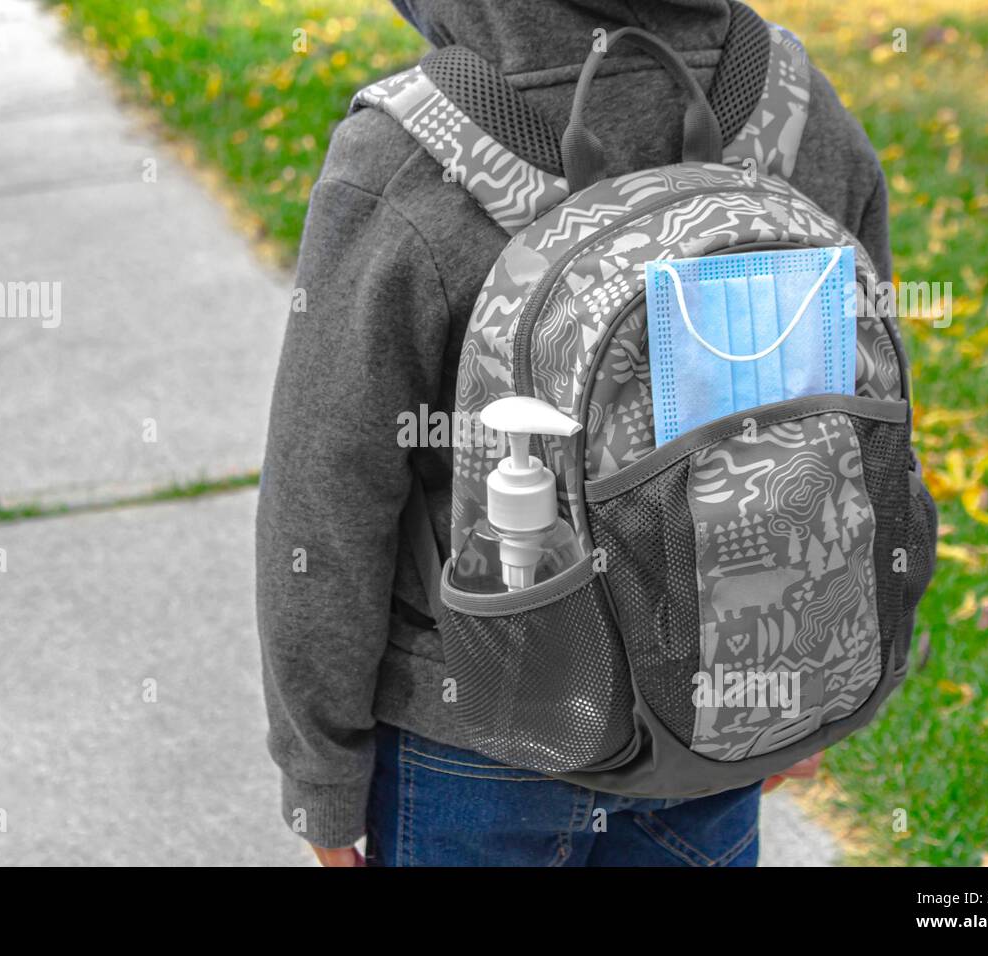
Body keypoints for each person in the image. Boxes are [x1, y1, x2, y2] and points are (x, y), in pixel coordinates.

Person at [256, 0, 889, 867]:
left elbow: (325, 496)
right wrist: (805, 690)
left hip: (476, 736)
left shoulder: (407, 152)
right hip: (723, 696)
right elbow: (856, 427)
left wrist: (320, 778)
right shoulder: (795, 103)